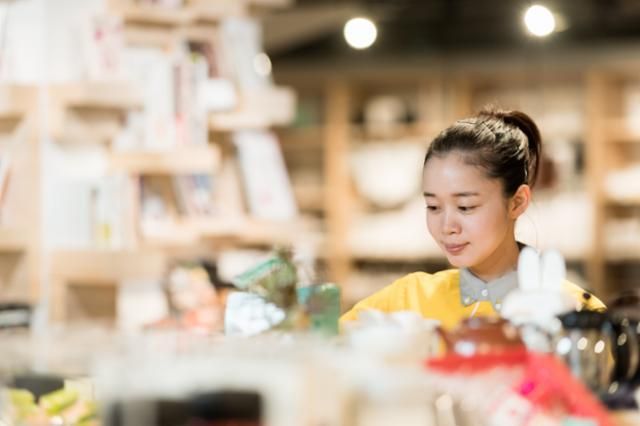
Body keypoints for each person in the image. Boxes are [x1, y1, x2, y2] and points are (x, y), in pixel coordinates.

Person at [340, 108, 605, 330]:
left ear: (517, 202)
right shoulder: (406, 300)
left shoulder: (577, 312)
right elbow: (323, 341)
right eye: (433, 207)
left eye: (465, 207)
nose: (447, 227)